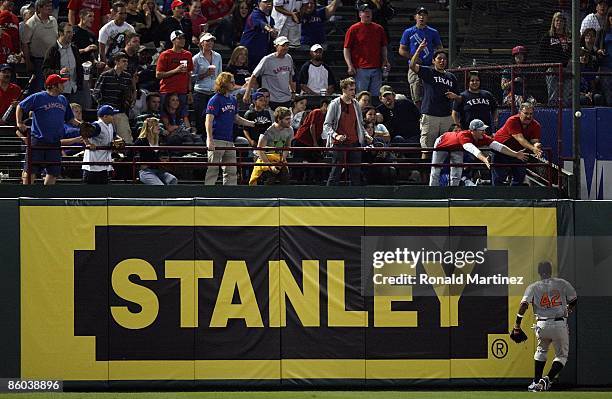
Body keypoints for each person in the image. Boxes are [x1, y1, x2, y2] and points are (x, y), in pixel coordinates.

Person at [514, 261, 577, 392]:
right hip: (559, 323)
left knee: (541, 351)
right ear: (550, 271)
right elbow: (573, 299)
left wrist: (517, 325)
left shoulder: (533, 287)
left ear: (539, 272)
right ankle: (546, 379)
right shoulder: (562, 283)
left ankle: (536, 381)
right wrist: (569, 308)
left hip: (541, 324)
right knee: (561, 356)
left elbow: (523, 305)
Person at [15, 74, 79, 185]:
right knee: (31, 171)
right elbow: (20, 106)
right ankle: (27, 196)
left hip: (55, 142)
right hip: (38, 140)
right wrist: (19, 122)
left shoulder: (63, 99)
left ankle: (46, 196)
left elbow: (71, 119)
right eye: (61, 83)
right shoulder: (38, 97)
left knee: (53, 172)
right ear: (54, 86)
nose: (63, 85)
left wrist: (82, 125)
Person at [429, 119, 528, 186]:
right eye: (481, 130)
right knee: (435, 169)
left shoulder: (482, 137)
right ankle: (432, 194)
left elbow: (498, 146)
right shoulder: (464, 135)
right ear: (473, 131)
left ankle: (453, 194)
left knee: (457, 173)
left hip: (457, 148)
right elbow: (472, 149)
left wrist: (516, 154)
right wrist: (484, 159)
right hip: (442, 144)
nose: (484, 132)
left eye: (484, 130)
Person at [409, 40, 459, 159]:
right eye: (439, 58)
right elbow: (412, 66)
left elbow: (459, 97)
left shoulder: (451, 77)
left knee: (446, 149)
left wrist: (455, 96)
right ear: (433, 60)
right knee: (427, 149)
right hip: (430, 115)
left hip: (446, 117)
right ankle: (425, 177)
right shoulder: (428, 71)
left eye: (444, 59)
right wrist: (419, 50)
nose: (442, 61)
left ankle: (443, 177)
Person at [205, 72, 256, 185]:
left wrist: (252, 124)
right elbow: (209, 120)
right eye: (231, 82)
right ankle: (206, 195)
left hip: (229, 140)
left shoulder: (232, 99)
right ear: (224, 83)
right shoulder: (215, 99)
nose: (234, 84)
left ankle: (229, 194)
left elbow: (236, 118)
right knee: (213, 170)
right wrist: (210, 139)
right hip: (217, 139)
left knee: (231, 170)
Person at [324, 77, 367, 186]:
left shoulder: (356, 104)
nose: (354, 92)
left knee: (356, 172)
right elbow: (327, 125)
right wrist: (336, 136)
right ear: (344, 90)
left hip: (354, 142)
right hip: (339, 143)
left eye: (354, 89)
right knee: (336, 171)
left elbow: (360, 124)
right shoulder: (334, 104)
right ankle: (329, 197)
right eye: (351, 90)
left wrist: (366, 135)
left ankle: (356, 198)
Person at [399, 6, 442, 108]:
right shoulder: (408, 32)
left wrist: (435, 59)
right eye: (419, 15)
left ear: (427, 18)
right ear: (415, 17)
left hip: (430, 66)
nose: (422, 17)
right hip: (415, 66)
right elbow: (401, 50)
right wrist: (412, 57)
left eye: (424, 15)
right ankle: (418, 115)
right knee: (416, 93)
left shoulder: (433, 32)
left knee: (431, 91)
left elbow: (439, 48)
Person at [343, 3, 389, 95]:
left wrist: (385, 60)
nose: (368, 13)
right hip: (360, 68)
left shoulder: (379, 28)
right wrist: (350, 65)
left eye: (369, 11)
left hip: (377, 68)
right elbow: (346, 48)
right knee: (361, 96)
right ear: (360, 14)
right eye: (365, 11)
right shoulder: (353, 29)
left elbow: (383, 46)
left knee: (376, 96)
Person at [492, 102, 543, 185]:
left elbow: (534, 141)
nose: (528, 116)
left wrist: (536, 146)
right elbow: (520, 139)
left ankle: (514, 196)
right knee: (499, 177)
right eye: (526, 113)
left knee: (520, 175)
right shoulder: (512, 120)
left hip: (518, 153)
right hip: (501, 150)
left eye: (531, 114)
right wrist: (533, 148)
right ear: (519, 113)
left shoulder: (536, 125)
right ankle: (497, 196)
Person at [244, 35, 296, 109]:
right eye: (283, 45)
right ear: (276, 46)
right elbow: (254, 76)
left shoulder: (289, 58)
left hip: (286, 98)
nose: (285, 48)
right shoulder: (267, 59)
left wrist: (293, 91)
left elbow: (290, 76)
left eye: (287, 45)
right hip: (271, 99)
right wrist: (247, 93)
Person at [93, 51, 134, 143]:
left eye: (127, 61)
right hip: (106, 113)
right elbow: (96, 93)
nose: (126, 63)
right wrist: (103, 107)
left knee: (126, 138)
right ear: (117, 62)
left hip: (120, 111)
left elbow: (129, 92)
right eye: (124, 61)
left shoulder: (127, 77)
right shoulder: (105, 75)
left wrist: (128, 102)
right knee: (105, 139)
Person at [156, 29, 193, 129]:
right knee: (165, 115)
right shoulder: (165, 55)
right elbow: (158, 74)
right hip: (167, 90)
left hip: (182, 91)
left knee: (183, 114)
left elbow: (189, 74)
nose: (182, 40)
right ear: (173, 40)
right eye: (179, 38)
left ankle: (188, 133)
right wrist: (175, 70)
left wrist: (189, 91)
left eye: (183, 38)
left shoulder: (187, 55)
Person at [42, 22, 86, 104]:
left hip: (74, 90)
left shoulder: (74, 49)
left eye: (72, 32)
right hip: (59, 92)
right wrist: (59, 72)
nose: (71, 35)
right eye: (68, 32)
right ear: (60, 33)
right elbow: (45, 70)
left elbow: (79, 68)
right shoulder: (53, 50)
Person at [249, 105, 293, 185]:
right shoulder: (268, 131)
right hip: (264, 157)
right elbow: (260, 150)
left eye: (290, 118)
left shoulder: (290, 130)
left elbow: (287, 147)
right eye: (287, 119)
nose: (289, 121)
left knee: (285, 176)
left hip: (278, 157)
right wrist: (270, 166)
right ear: (279, 119)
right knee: (270, 176)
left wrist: (281, 160)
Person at [21, 0, 58, 92]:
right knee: (39, 88)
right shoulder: (30, 23)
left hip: (53, 60)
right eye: (47, 6)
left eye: (51, 5)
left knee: (53, 87)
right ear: (39, 8)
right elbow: (25, 44)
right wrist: (28, 62)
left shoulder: (53, 20)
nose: (50, 8)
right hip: (38, 61)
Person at [81, 104, 124, 184]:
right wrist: (88, 144)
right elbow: (84, 132)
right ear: (105, 116)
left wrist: (119, 139)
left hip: (104, 164)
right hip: (93, 165)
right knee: (90, 191)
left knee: (104, 191)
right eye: (111, 115)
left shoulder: (109, 125)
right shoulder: (97, 125)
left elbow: (113, 134)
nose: (113, 117)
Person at [539, 12, 572, 106]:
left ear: (564, 23)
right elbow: (542, 54)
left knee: (565, 96)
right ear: (553, 22)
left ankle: (565, 107)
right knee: (553, 95)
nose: (559, 22)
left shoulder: (569, 36)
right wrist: (551, 65)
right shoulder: (547, 37)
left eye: (561, 20)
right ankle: (553, 107)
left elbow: (573, 51)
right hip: (553, 69)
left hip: (567, 68)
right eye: (557, 20)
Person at [192, 32, 222, 135]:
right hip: (200, 91)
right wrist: (205, 74)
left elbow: (220, 74)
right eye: (207, 41)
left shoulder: (218, 56)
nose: (210, 43)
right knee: (201, 117)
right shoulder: (196, 58)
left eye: (212, 41)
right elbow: (192, 77)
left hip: (213, 92)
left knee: (214, 116)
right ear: (201, 43)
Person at [134, 117, 178, 185]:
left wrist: (164, 160)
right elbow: (131, 154)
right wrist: (139, 165)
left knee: (173, 180)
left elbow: (166, 153)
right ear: (150, 128)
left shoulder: (160, 140)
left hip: (159, 170)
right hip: (146, 171)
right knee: (159, 185)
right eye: (156, 125)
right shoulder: (141, 141)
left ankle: (169, 195)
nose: (159, 127)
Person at [241, 0, 277, 71]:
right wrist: (270, 29)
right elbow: (261, 23)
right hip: (249, 52)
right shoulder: (255, 14)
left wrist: (273, 34)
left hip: (262, 52)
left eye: (270, 2)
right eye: (265, 2)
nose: (268, 4)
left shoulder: (271, 19)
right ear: (259, 3)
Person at [596, 9, 612, 106]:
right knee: (608, 96)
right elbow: (595, 46)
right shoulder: (602, 31)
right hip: (606, 67)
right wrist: (599, 51)